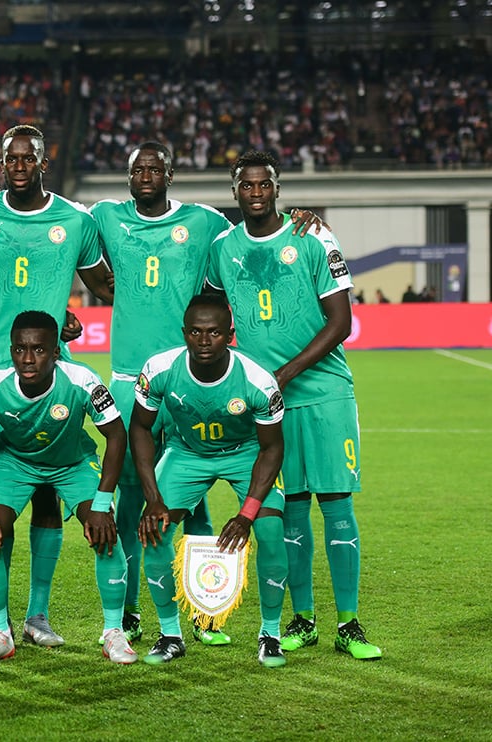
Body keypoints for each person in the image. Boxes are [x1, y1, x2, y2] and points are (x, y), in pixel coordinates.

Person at [89, 141, 323, 647]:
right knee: (137, 497)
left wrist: (301, 218)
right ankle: (130, 610)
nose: (147, 175)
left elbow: (254, 229)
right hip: (133, 378)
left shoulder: (205, 221)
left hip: (195, 377)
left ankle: (202, 605)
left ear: (171, 174)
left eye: (156, 168)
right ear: (127, 176)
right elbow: (74, 254)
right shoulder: (104, 216)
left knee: (187, 496)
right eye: (138, 169)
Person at [206, 150, 381, 660]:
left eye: (264, 185)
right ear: (235, 191)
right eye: (246, 185)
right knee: (291, 513)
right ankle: (303, 620)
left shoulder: (312, 236)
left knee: (337, 505)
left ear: (278, 189)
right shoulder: (222, 247)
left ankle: (348, 623)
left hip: (324, 392)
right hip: (267, 406)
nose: (255, 193)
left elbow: (340, 323)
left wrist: (283, 374)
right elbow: (212, 313)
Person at [0, 124, 114, 648]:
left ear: (44, 162)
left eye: (29, 158)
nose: (20, 165)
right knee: (1, 492)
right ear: (1, 164)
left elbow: (106, 285)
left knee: (48, 493)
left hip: (51, 366)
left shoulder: (75, 219)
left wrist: (68, 320)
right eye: (11, 158)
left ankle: (38, 615)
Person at [0, 311, 135, 665]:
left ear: (56, 352)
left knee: (105, 531)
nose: (28, 358)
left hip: (72, 463)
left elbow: (117, 436)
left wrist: (102, 504)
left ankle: (114, 632)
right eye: (20, 349)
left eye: (39, 350)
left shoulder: (82, 380)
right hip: (16, 463)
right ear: (10, 350)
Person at [131, 294, 288, 667]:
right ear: (184, 333)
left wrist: (247, 513)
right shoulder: (158, 369)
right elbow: (139, 427)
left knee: (269, 532)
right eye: (197, 332)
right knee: (155, 531)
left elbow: (271, 450)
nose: (204, 341)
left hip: (246, 453)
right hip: (187, 454)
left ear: (230, 335)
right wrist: (152, 498)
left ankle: (271, 634)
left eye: (214, 332)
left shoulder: (259, 382)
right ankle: (170, 635)